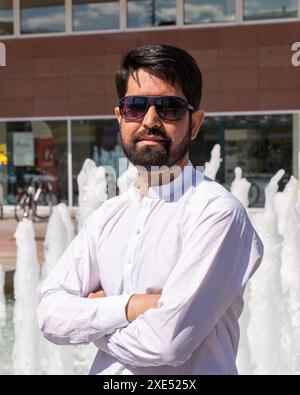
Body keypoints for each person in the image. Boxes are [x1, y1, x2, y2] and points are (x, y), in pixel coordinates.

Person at [37, 44, 264, 375]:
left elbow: (166, 342)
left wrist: (93, 320)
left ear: (195, 123)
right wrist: (132, 306)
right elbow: (48, 314)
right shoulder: (106, 217)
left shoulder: (217, 213)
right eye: (136, 107)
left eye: (170, 108)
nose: (151, 120)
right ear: (120, 117)